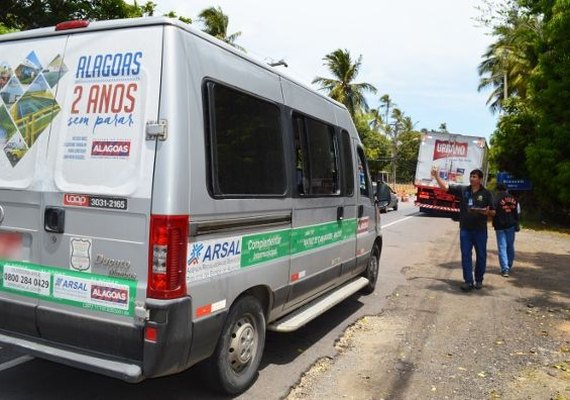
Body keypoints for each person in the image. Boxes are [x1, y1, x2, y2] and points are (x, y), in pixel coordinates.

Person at [431, 167, 495, 291]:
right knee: (466, 255)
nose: (472, 179)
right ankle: (468, 281)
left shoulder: (486, 194)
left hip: (480, 230)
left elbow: (493, 212)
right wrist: (436, 176)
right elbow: (446, 188)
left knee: (481, 255)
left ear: (480, 179)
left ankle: (479, 279)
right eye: (471, 176)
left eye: (475, 177)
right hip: (465, 230)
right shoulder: (464, 190)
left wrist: (486, 212)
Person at [492, 183, 519, 277]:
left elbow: (492, 211)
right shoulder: (514, 198)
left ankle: (505, 269)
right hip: (511, 225)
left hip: (500, 226)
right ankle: (509, 265)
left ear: (498, 190)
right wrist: (517, 224)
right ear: (506, 189)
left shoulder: (496, 199)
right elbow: (517, 212)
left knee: (502, 246)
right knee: (510, 246)